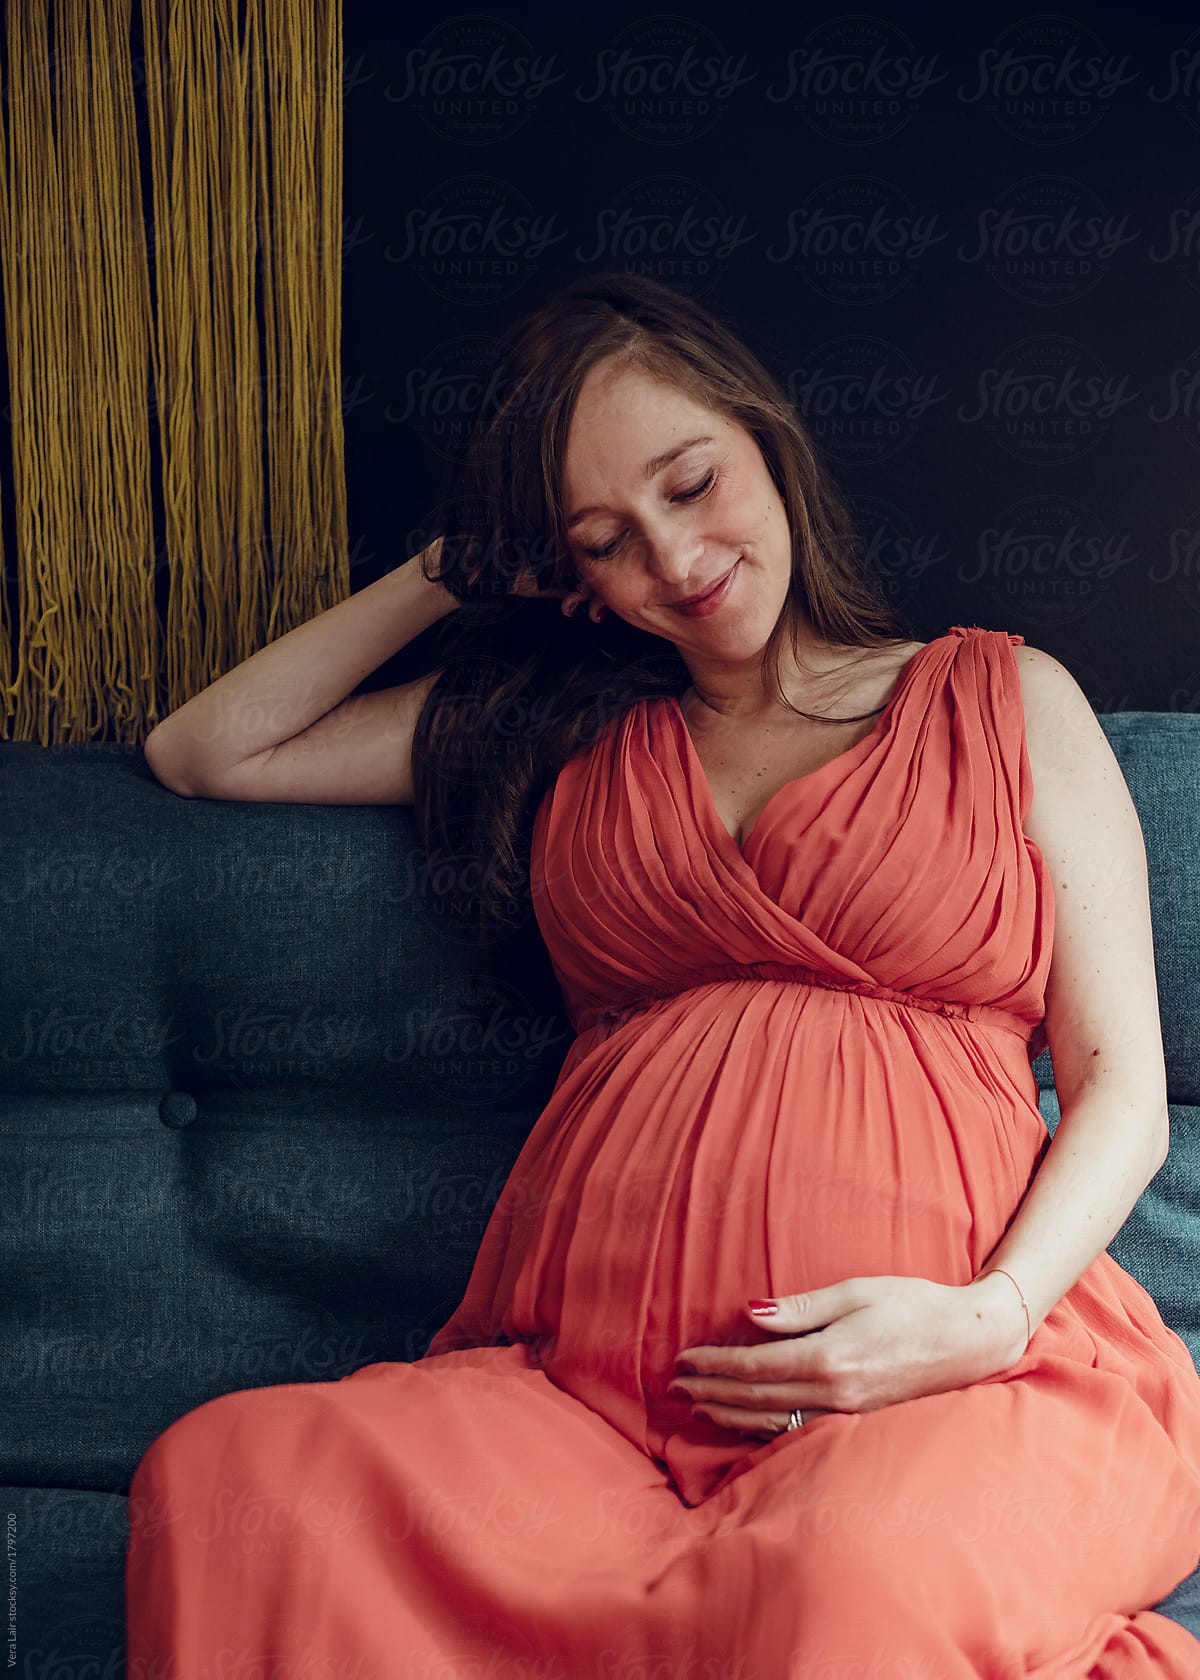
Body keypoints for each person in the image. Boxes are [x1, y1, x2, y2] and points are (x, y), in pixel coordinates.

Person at [130, 272, 1200, 1677]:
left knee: (849, 1586)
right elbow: (209, 751)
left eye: (692, 484)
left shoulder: (1003, 700)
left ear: (767, 440)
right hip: (583, 1410)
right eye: (607, 540)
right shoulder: (555, 733)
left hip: (967, 1375)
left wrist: (981, 1319)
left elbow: (1123, 1080)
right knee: (231, 1486)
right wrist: (447, 568)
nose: (677, 558)